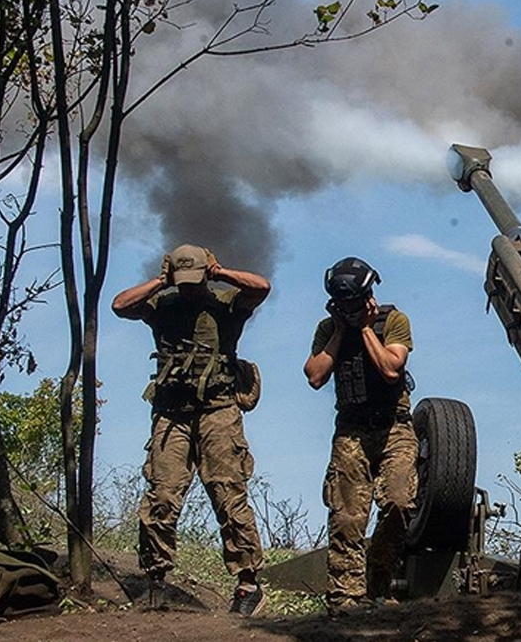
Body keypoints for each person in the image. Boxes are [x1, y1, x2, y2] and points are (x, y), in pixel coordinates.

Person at [111, 244, 270, 617]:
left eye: (194, 280)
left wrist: (221, 272)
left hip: (218, 412)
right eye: (181, 282)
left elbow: (261, 287)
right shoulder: (162, 306)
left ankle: (248, 585)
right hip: (171, 414)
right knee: (161, 497)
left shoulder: (227, 304)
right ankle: (156, 582)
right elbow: (120, 306)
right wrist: (160, 281)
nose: (188, 288)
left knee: (229, 496)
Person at [303, 257, 416, 612]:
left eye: (355, 301)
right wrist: (340, 331)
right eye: (343, 304)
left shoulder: (393, 321)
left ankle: (377, 582)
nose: (350, 309)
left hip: (394, 427)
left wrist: (366, 329)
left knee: (399, 502)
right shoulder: (327, 329)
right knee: (347, 516)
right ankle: (345, 596)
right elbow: (315, 375)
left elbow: (389, 369)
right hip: (351, 430)